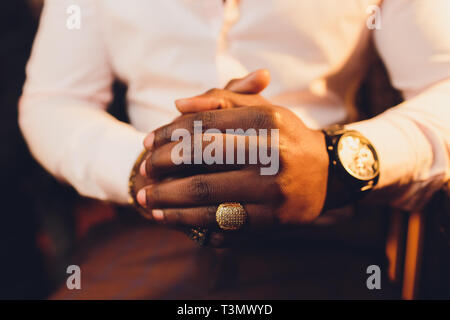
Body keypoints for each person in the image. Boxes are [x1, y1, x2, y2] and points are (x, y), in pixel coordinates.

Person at [19, 0, 449, 299]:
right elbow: (55, 99)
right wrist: (143, 168)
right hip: (146, 232)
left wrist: (338, 163)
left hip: (325, 232)